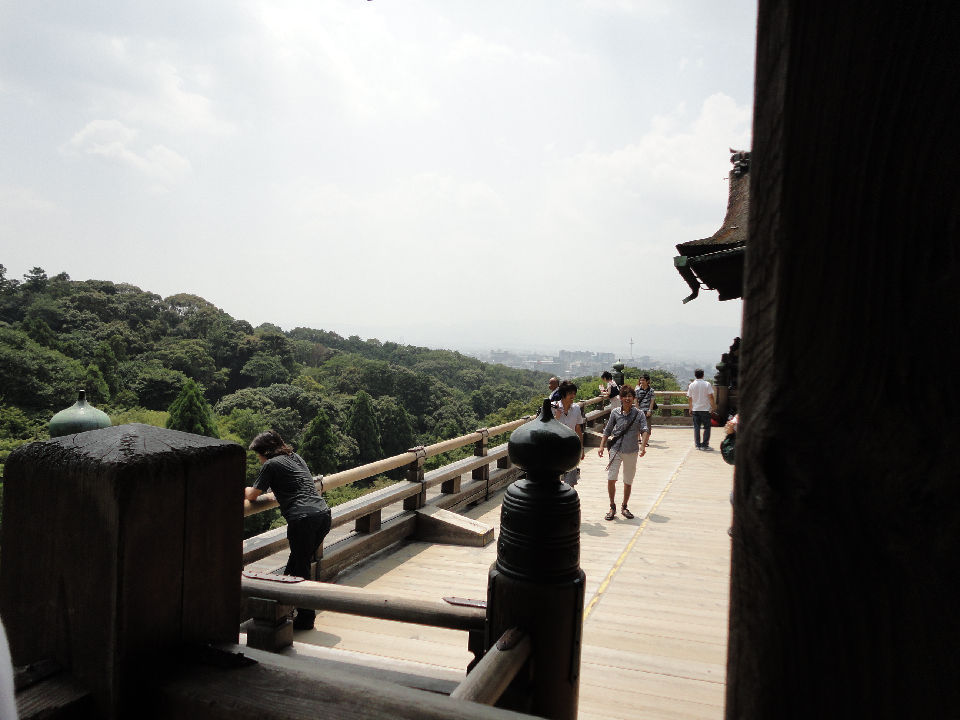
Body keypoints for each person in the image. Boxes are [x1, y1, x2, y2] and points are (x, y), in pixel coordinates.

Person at [244, 430, 332, 630]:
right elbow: (297, 483)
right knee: (295, 565)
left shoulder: (270, 465)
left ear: (264, 452)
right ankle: (281, 610)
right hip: (323, 515)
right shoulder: (295, 457)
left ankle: (306, 618)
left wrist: (242, 489)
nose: (258, 459)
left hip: (303, 520)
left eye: (258, 455)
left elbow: (253, 495)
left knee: (300, 569)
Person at [598, 385, 647, 520]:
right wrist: (601, 446)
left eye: (629, 396)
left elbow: (644, 430)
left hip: (631, 450)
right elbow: (607, 430)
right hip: (616, 449)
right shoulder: (615, 412)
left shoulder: (639, 414)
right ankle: (612, 506)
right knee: (611, 479)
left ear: (633, 398)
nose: (627, 398)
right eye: (624, 396)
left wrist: (643, 446)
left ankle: (624, 506)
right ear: (620, 398)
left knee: (628, 480)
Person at [552, 381, 585, 486]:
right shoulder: (553, 407)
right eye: (570, 393)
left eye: (574, 393)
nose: (573, 396)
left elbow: (578, 429)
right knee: (554, 480)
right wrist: (556, 417)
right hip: (556, 447)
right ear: (563, 394)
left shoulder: (576, 408)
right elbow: (547, 427)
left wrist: (581, 448)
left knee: (570, 482)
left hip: (571, 447)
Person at [687, 369, 717, 450]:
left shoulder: (691, 385)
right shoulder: (707, 384)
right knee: (707, 427)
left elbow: (690, 398)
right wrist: (713, 406)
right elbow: (711, 396)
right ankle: (704, 445)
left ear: (695, 375)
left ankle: (697, 445)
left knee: (696, 427)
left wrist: (690, 408)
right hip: (705, 409)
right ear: (703, 375)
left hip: (695, 409)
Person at [635, 373, 655, 441]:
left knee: (648, 427)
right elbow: (635, 400)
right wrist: (637, 410)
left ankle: (645, 441)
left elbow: (652, 401)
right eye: (641, 380)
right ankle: (640, 439)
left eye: (643, 380)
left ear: (647, 381)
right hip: (639, 410)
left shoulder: (651, 390)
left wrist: (650, 410)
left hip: (647, 410)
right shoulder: (637, 390)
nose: (641, 382)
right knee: (638, 425)